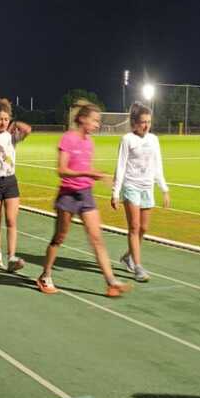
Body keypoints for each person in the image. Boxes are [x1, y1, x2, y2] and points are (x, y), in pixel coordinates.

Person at [36, 101, 131, 297]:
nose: (97, 124)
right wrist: (88, 173)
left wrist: (99, 174)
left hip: (85, 194)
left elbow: (85, 168)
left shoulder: (89, 142)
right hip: (68, 195)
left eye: (98, 121)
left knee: (97, 238)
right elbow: (62, 170)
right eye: (94, 120)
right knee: (59, 237)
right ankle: (45, 276)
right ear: (82, 119)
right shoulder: (68, 139)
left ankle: (111, 282)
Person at [110, 102, 169, 282]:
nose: (146, 125)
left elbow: (158, 165)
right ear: (134, 123)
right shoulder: (127, 139)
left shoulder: (154, 140)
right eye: (143, 122)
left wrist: (164, 189)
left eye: (148, 122)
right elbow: (120, 166)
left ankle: (128, 256)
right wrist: (115, 192)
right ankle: (138, 267)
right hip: (131, 186)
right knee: (134, 227)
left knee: (144, 228)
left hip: (147, 187)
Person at [0, 97, 31, 271]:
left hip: (10, 181)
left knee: (11, 220)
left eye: (6, 119)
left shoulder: (12, 137)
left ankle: (11, 258)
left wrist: (14, 123)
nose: (3, 122)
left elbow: (28, 129)